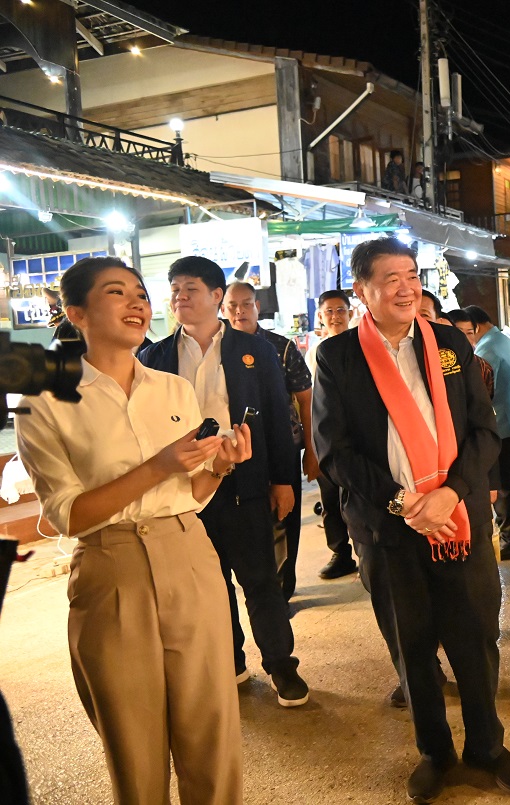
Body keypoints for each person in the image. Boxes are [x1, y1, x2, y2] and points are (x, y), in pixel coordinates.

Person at [16, 256, 251, 802]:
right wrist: (159, 466)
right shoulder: (45, 402)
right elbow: (65, 514)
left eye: (141, 294)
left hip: (189, 555)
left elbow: (188, 494)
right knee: (134, 745)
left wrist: (219, 466)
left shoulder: (173, 390)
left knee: (212, 734)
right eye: (117, 293)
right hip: (111, 568)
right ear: (77, 313)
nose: (137, 303)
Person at [312, 237, 510, 801]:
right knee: (411, 644)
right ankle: (435, 752)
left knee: (477, 637)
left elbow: (483, 432)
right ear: (363, 291)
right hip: (390, 527)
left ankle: (487, 746)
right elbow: (334, 451)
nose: (406, 287)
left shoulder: (449, 343)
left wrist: (452, 494)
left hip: (458, 521)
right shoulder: (337, 357)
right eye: (391, 278)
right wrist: (400, 502)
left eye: (411, 275)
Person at [139, 256, 308, 706]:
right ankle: (230, 660)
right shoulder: (154, 356)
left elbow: (276, 416)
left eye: (190, 288)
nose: (180, 297)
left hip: (242, 482)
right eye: (174, 289)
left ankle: (281, 666)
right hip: (184, 490)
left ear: (217, 296)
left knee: (259, 580)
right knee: (209, 585)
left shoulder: (253, 350)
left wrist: (282, 480)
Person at [222, 281, 318, 602]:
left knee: (284, 521)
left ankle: (282, 591)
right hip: (235, 455)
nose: (239, 311)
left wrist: (311, 451)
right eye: (232, 305)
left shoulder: (281, 347)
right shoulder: (218, 349)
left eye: (246, 304)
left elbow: (306, 400)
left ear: (257, 307)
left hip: (282, 449)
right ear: (223, 309)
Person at [460, 305, 510, 560]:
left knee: (502, 488)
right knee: (509, 486)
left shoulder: (486, 350)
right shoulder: (501, 340)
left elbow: (481, 396)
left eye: (467, 332)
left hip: (501, 428)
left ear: (475, 327)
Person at [308, 290, 360, 580]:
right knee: (330, 498)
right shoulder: (314, 350)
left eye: (340, 310)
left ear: (350, 313)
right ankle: (340, 552)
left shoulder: (360, 345)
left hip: (355, 436)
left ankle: (365, 549)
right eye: (329, 311)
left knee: (357, 493)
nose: (335, 316)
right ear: (320, 315)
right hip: (325, 436)